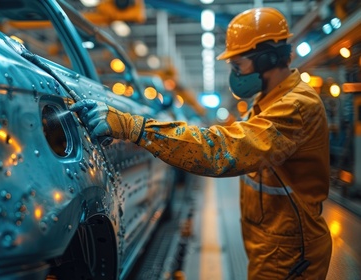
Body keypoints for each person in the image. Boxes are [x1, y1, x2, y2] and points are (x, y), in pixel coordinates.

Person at [70, 7, 332, 279]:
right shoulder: (267, 102)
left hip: (290, 252)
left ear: (266, 59)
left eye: (237, 66)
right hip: (270, 242)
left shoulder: (295, 107)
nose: (235, 75)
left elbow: (220, 151)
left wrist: (134, 127)